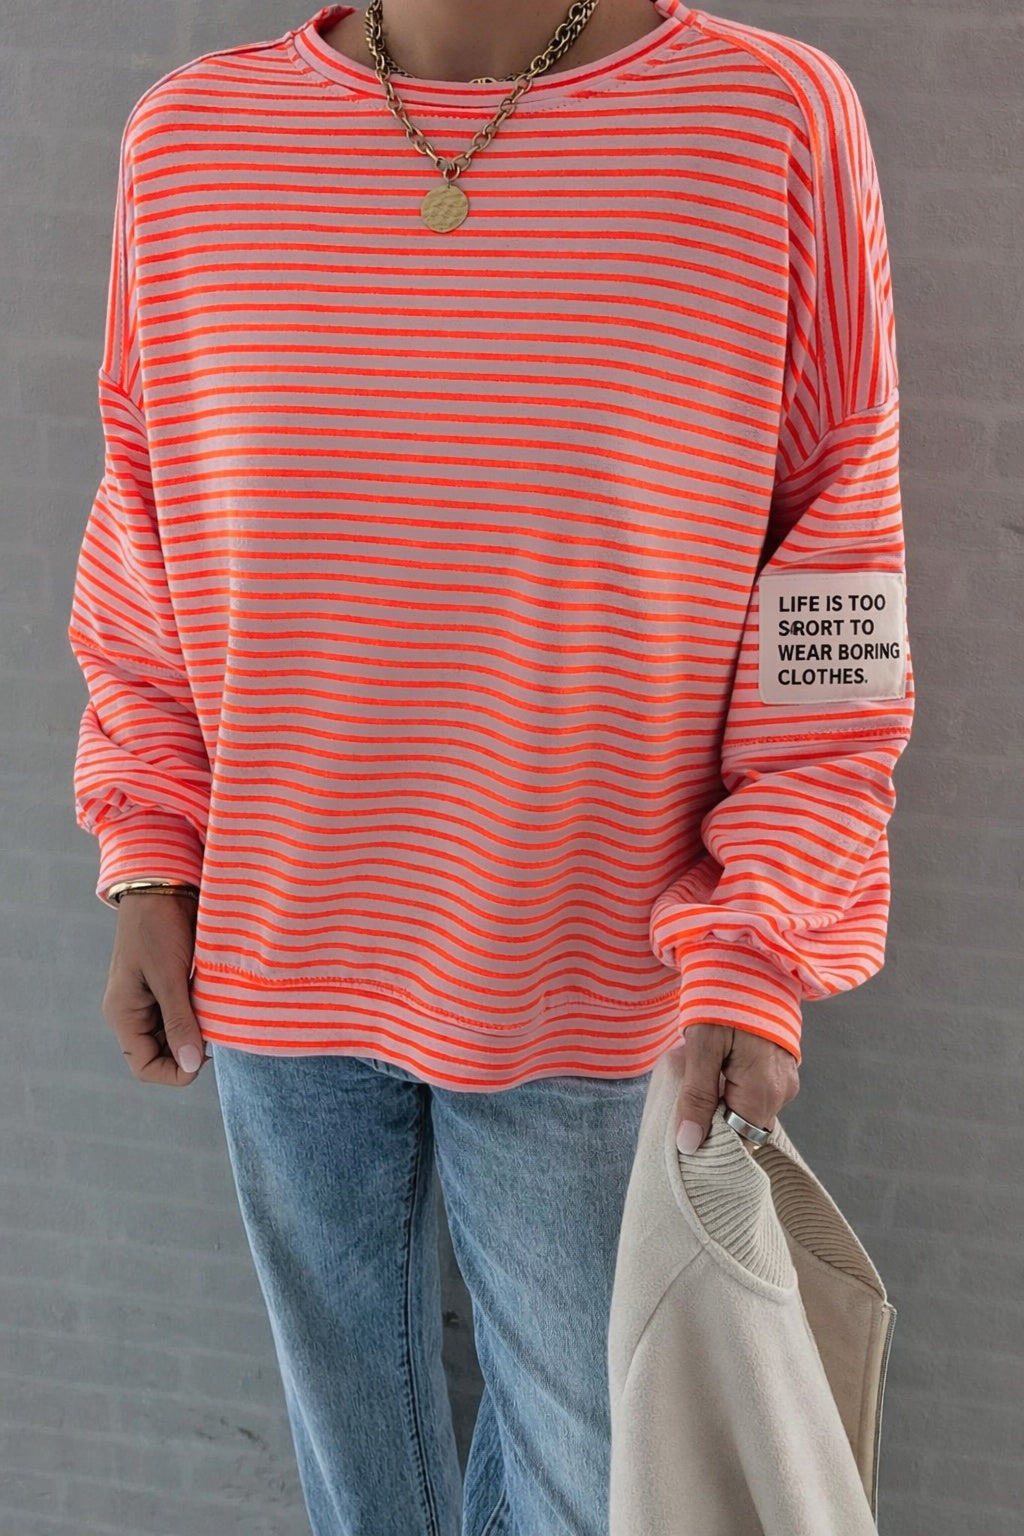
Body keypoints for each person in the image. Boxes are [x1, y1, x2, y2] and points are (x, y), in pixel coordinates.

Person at [68, 2, 912, 1533]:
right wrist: (148, 852)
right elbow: (144, 529)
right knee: (357, 1485)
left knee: (591, 1488)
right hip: (276, 956)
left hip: (592, 970)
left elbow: (833, 580)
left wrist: (761, 941)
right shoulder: (192, 140)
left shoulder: (766, 121)